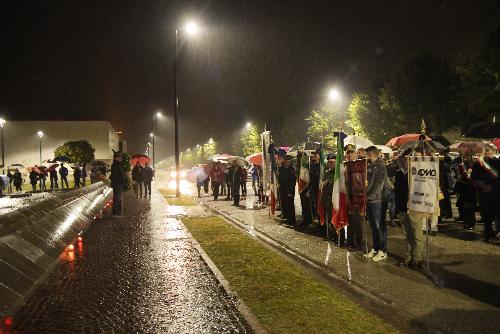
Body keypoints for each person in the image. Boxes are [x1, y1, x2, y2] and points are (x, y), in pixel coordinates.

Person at [394, 149, 423, 269]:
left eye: (410, 158)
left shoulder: (418, 172)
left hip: (414, 207)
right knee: (407, 234)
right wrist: (397, 209)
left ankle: (417, 259)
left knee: (416, 234)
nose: (407, 160)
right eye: (406, 158)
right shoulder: (399, 173)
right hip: (402, 207)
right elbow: (397, 192)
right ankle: (408, 256)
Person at [364, 146, 388, 262]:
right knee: (373, 226)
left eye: (367, 153)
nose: (366, 156)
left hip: (377, 200)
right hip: (370, 199)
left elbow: (378, 184)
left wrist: (368, 196)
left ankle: (383, 251)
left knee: (380, 227)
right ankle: (376, 247)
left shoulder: (380, 166)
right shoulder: (371, 165)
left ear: (371, 154)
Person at [471, 146, 499, 242]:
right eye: (485, 152)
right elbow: (474, 177)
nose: (487, 154)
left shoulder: (497, 162)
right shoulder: (478, 164)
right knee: (486, 216)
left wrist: (492, 186)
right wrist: (482, 185)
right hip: (483, 193)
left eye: (488, 152)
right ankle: (488, 234)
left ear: (493, 152)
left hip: (496, 193)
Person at [320, 154, 336, 239]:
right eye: (328, 162)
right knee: (328, 218)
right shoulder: (328, 173)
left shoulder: (337, 174)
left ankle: (337, 237)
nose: (329, 164)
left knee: (334, 218)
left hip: (333, 199)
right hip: (326, 199)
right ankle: (330, 234)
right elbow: (323, 183)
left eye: (331, 162)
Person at [278, 155, 297, 225]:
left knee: (290, 205)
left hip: (289, 191)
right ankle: (286, 218)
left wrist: (290, 192)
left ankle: (292, 220)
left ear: (289, 162)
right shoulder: (282, 168)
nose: (285, 162)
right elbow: (280, 178)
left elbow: (292, 182)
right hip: (283, 190)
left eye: (287, 161)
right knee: (284, 205)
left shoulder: (291, 169)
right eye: (285, 161)